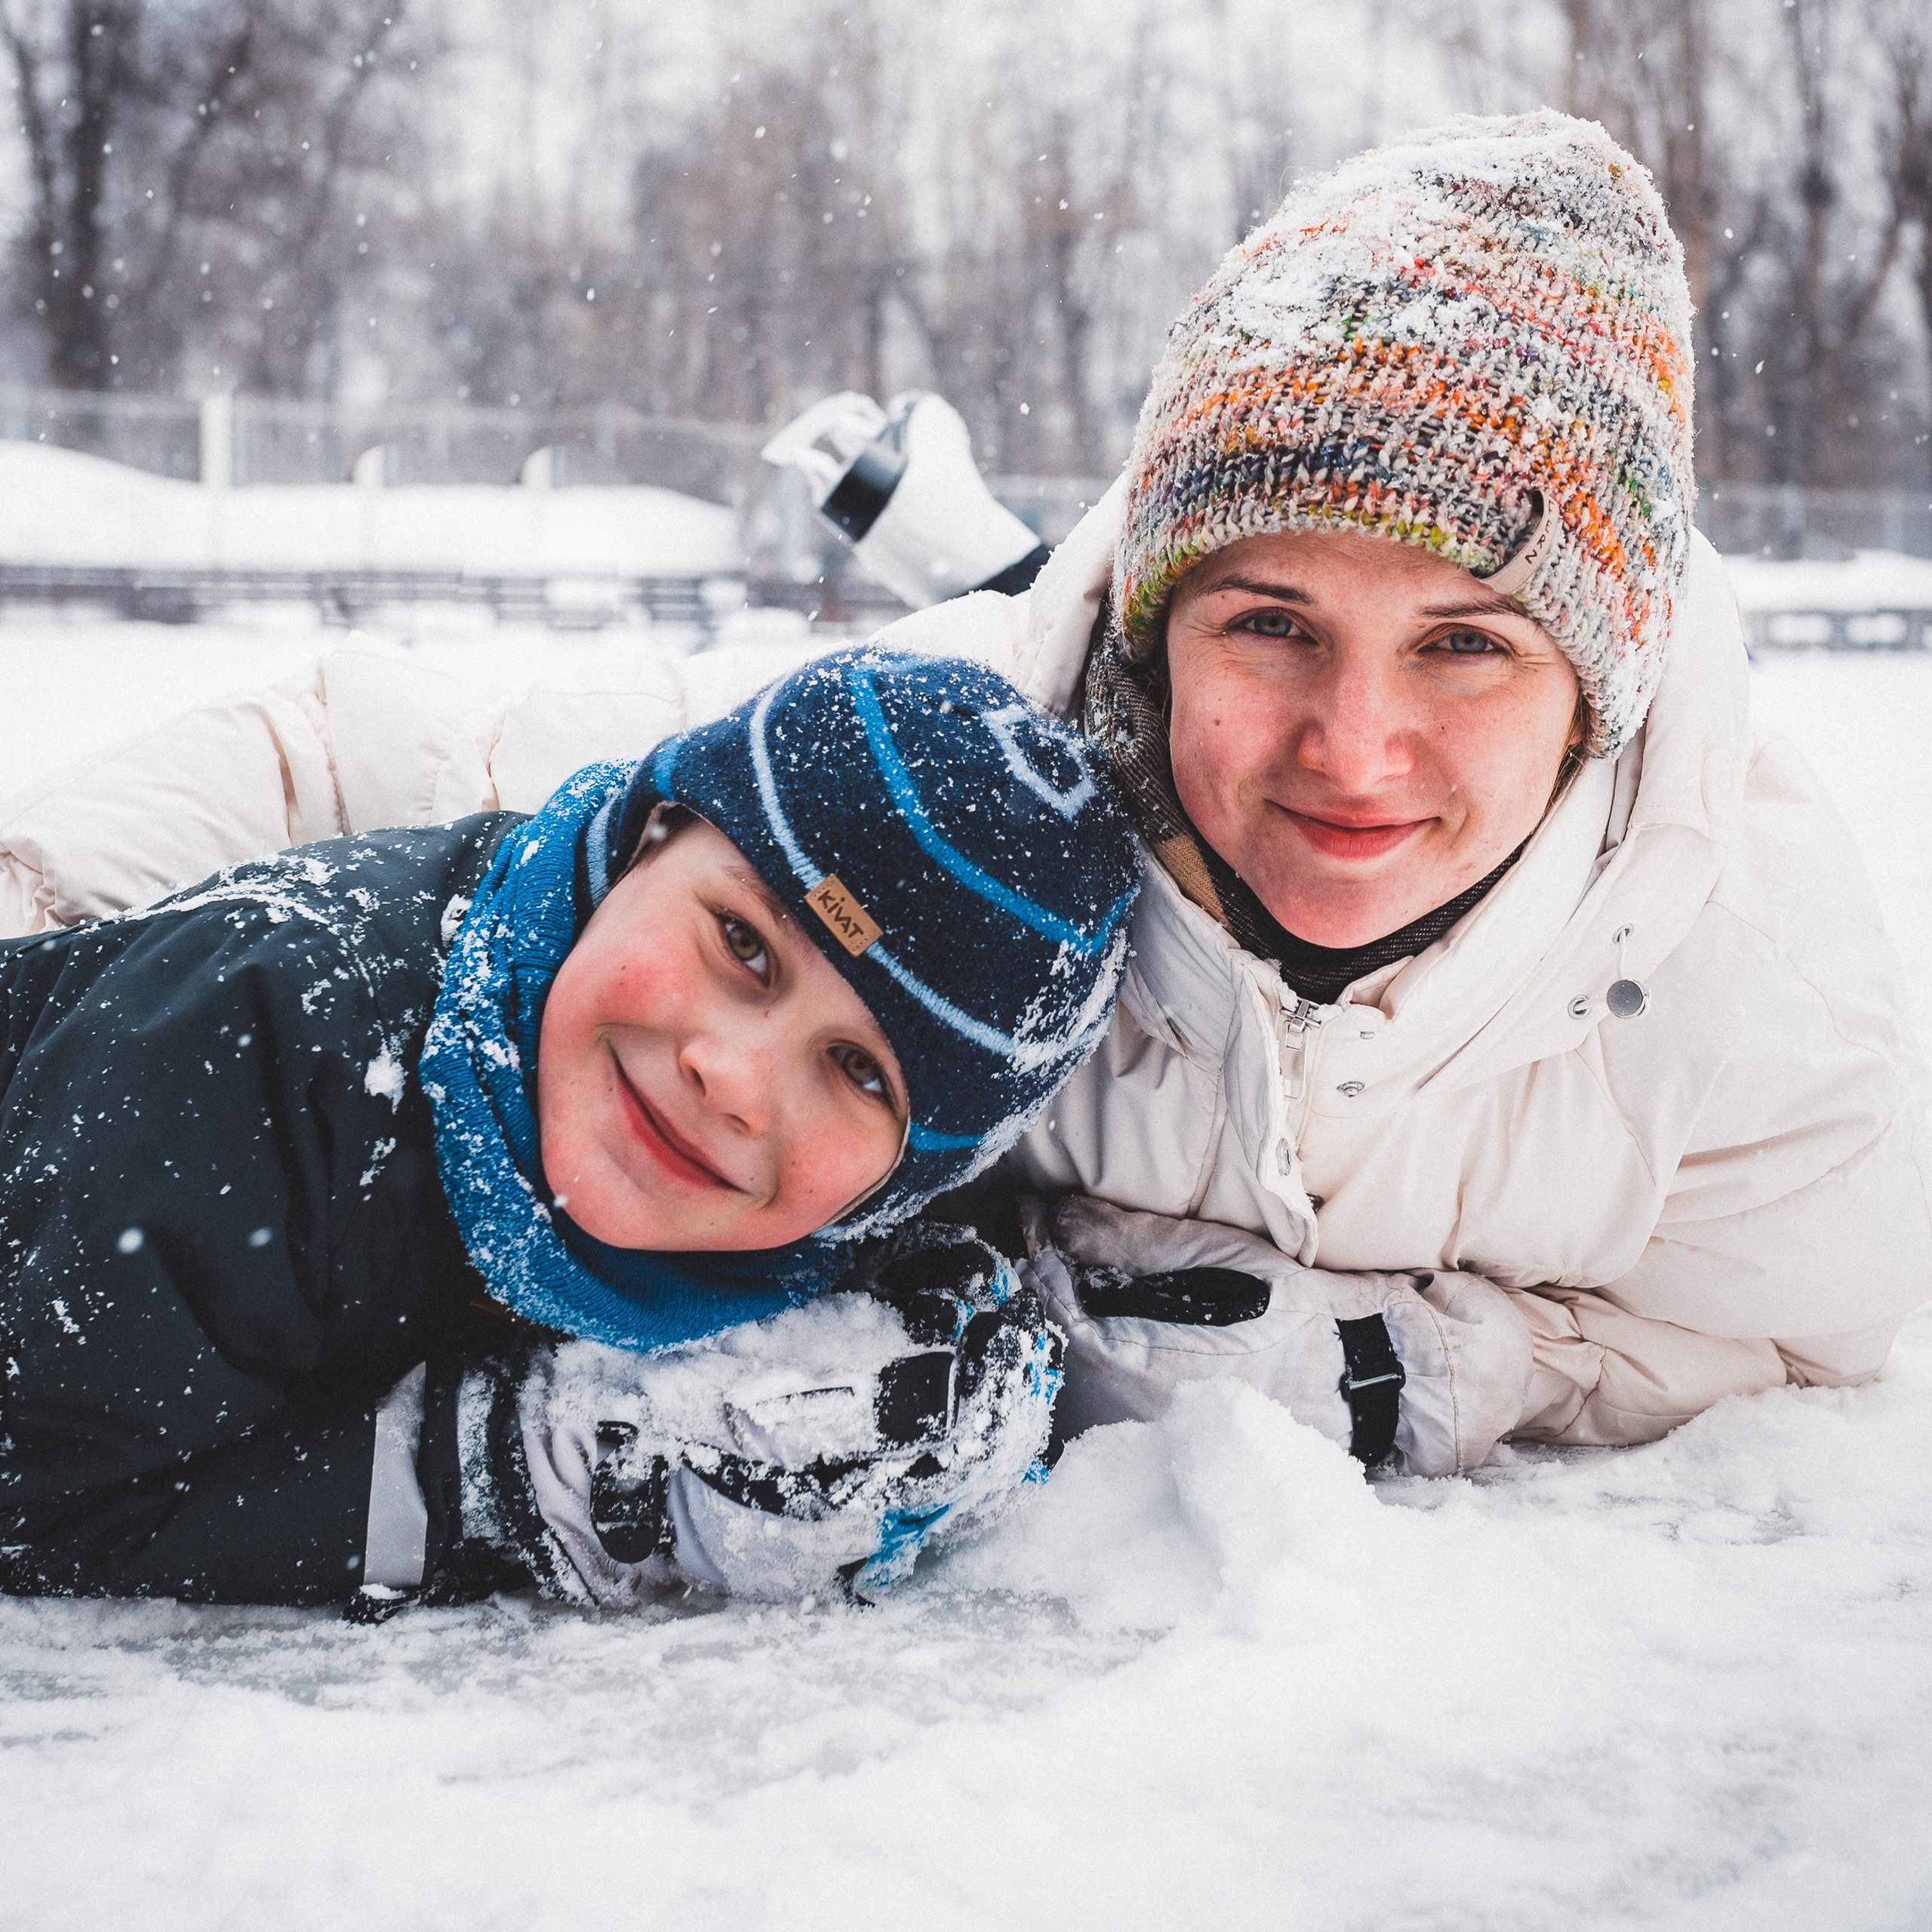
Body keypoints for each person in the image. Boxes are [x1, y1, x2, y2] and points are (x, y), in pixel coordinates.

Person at [8, 111, 1927, 1485]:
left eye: (1464, 645)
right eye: (1269, 623)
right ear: (1156, 627)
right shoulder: (960, 774)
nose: (1352, 748)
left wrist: (1426, 1356)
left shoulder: (1758, 1003)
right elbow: (349, 741)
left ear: (1596, 685)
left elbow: (1794, 1335)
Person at [0, 647, 1140, 1607]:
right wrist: (512, 1473)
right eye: (743, 944)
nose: (734, 1080)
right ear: (644, 843)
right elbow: (37, 1493)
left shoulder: (787, 1215)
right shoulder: (260, 1052)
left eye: (859, 1071)